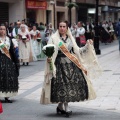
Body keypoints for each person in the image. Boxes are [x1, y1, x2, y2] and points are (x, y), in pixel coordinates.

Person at [40, 21, 102, 117]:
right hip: (59, 65)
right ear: (58, 27)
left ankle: (63, 106)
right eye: (60, 26)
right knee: (62, 86)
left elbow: (78, 51)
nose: (62, 28)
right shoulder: (53, 38)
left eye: (64, 26)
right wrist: (49, 59)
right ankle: (63, 106)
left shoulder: (71, 38)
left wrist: (87, 45)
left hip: (71, 65)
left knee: (69, 86)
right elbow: (49, 51)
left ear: (67, 28)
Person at [0, 24, 19, 103]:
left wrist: (15, 61)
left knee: (7, 77)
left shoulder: (9, 39)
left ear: (6, 30)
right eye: (0, 29)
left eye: (3, 29)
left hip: (8, 60)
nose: (2, 30)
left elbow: (11, 51)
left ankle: (7, 96)